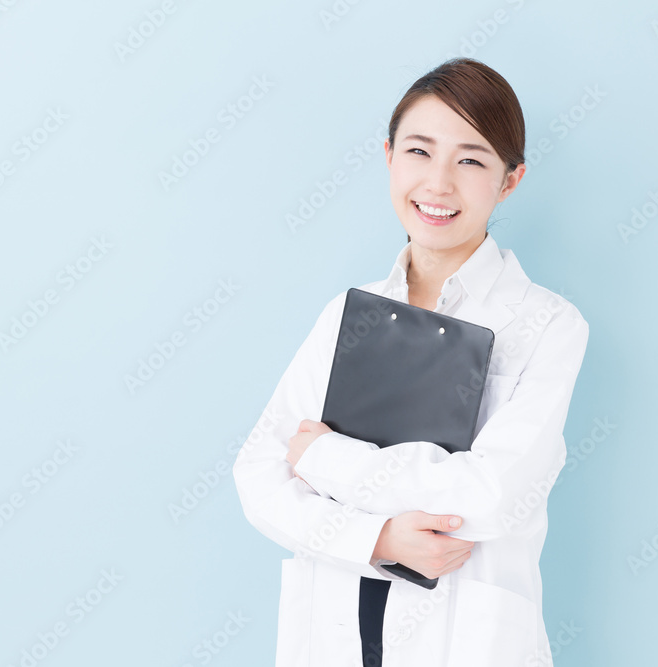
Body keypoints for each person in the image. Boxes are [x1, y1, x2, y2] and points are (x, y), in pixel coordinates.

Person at [232, 57, 590, 667]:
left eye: (471, 160)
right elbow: (260, 475)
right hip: (335, 631)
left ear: (510, 180)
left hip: (465, 641)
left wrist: (324, 458)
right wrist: (377, 539)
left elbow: (488, 495)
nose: (438, 183)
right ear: (389, 156)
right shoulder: (347, 313)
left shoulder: (547, 324)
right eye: (419, 151)